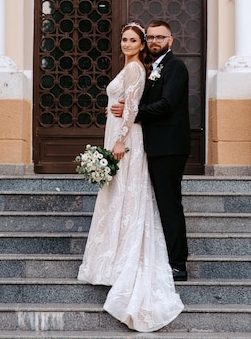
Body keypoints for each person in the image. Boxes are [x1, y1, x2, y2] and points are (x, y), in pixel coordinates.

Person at [77, 22, 184, 332]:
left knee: (127, 193)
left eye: (133, 40)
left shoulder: (138, 69)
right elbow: (123, 104)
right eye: (124, 39)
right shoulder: (134, 68)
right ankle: (110, 254)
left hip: (127, 139)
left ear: (141, 45)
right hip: (118, 133)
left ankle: (125, 256)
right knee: (118, 193)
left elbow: (135, 107)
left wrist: (121, 139)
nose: (127, 43)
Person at [111, 19, 190, 282]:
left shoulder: (175, 67)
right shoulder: (151, 67)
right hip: (152, 146)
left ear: (171, 40)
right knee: (158, 204)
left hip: (169, 148)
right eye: (152, 37)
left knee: (169, 205)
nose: (156, 41)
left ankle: (178, 264)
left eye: (160, 37)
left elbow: (167, 104)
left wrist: (134, 113)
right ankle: (158, 255)